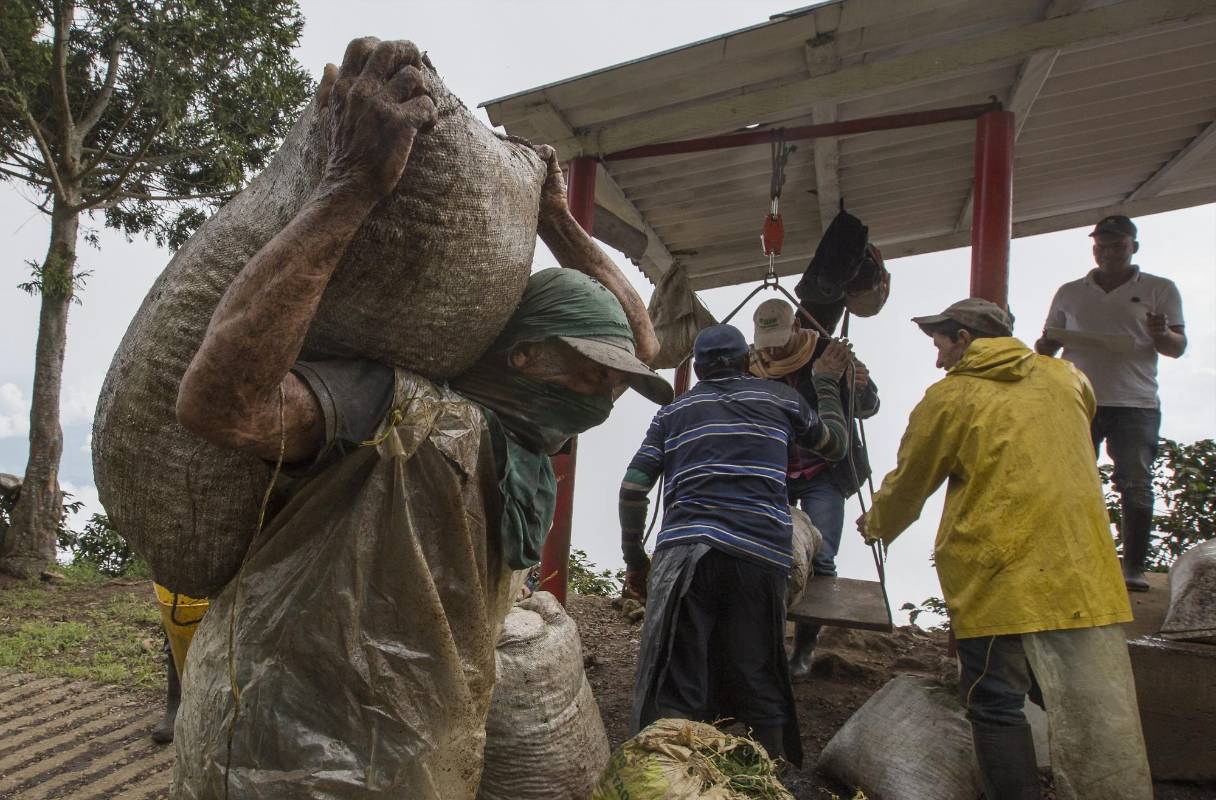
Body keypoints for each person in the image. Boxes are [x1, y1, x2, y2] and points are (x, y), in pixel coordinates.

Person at [171, 39, 670, 799]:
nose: (608, 393)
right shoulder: (400, 411)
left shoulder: (530, 440)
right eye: (594, 371)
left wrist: (558, 223)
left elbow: (645, 342)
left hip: (414, 755)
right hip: (278, 750)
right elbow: (221, 404)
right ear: (527, 359)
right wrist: (350, 189)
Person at [859, 298, 1151, 800]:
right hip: (1083, 570)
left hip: (1001, 572)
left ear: (965, 338)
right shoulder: (1068, 379)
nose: (937, 359)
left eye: (940, 345)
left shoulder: (950, 397)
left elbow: (912, 479)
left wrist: (877, 522)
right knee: (1083, 701)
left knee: (995, 703)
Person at [621, 324, 853, 767]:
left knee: (679, 677)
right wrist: (825, 384)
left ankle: (673, 775)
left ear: (701, 369)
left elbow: (633, 490)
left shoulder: (673, 413)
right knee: (757, 669)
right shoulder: (781, 400)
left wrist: (636, 560)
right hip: (759, 554)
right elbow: (835, 447)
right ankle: (762, 779)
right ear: (748, 362)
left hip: (685, 555)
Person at [1035, 215, 1186, 592]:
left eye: (1116, 245)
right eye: (1100, 246)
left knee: (1135, 482)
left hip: (1135, 403)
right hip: (1077, 397)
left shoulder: (1160, 288)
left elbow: (1177, 347)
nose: (1107, 253)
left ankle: (1132, 567)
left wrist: (1160, 332)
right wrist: (1048, 344)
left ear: (1134, 246)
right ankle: (1068, 558)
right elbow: (1044, 346)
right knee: (1068, 480)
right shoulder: (1071, 291)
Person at [749, 298, 880, 678]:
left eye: (778, 339)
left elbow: (867, 407)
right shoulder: (751, 365)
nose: (771, 349)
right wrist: (820, 380)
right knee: (768, 553)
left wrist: (861, 386)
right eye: (765, 341)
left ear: (795, 329)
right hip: (775, 469)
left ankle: (803, 649)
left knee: (821, 558)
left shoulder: (827, 353)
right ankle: (767, 642)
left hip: (824, 469)